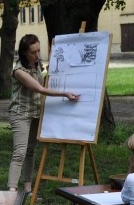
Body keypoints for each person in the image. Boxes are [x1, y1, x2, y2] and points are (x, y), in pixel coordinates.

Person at [7, 34, 81, 193]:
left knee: (30, 151)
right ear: (24, 53)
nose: (38, 55)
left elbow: (42, 83)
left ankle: (28, 188)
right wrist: (65, 94)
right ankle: (11, 190)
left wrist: (51, 75)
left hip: (35, 113)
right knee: (20, 152)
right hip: (21, 113)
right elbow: (39, 89)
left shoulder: (37, 65)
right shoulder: (19, 71)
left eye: (39, 51)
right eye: (33, 52)